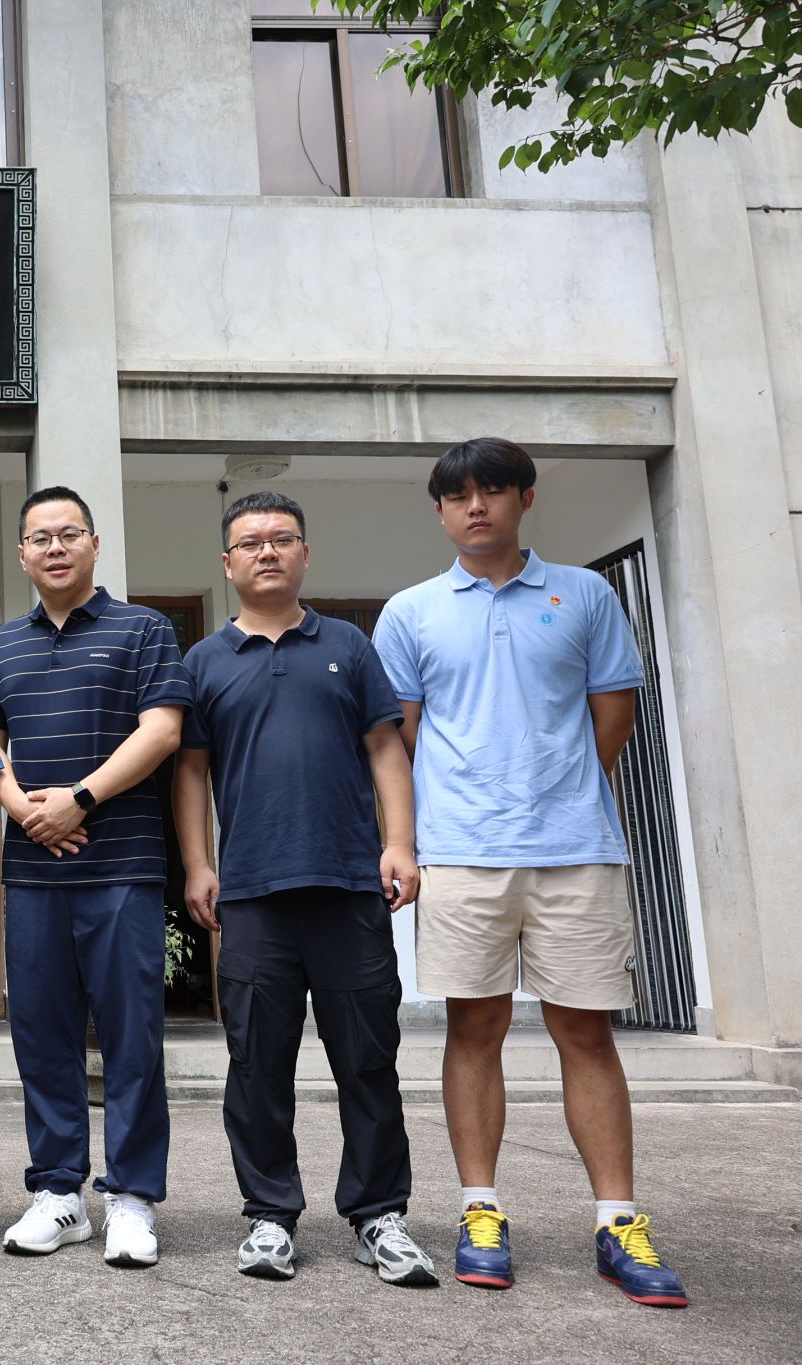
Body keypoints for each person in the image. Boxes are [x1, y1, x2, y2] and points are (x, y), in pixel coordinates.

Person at [372, 437, 688, 1308]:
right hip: (461, 853)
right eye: (458, 496)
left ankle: (618, 1221)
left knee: (586, 1032)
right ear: (440, 511)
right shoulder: (411, 611)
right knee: (472, 1028)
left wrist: (557, 790)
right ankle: (480, 1211)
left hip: (575, 849)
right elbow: (398, 739)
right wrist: (413, 837)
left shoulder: (583, 594)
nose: (476, 507)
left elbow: (613, 718)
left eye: (492, 491)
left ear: (525, 498)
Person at [172, 491, 437, 1286]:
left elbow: (386, 748)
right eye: (250, 542)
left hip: (349, 885)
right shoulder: (205, 660)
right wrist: (198, 864)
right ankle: (269, 1215)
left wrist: (399, 843)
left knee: (368, 1058)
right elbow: (191, 772)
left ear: (305, 554)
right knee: (258, 1062)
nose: (267, 551)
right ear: (227, 563)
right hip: (253, 894)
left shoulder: (348, 646)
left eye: (282, 539)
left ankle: (379, 1214)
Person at [0, 486, 191, 1267]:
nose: (55, 547)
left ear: (95, 544)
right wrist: (23, 810)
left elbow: (162, 731)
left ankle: (131, 1198)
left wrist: (80, 798)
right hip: (33, 872)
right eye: (40, 537)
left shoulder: (144, 629)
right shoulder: (2, 646)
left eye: (69, 533)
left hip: (122, 866)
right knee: (42, 1033)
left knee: (132, 1036)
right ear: (23, 554)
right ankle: (58, 1193)